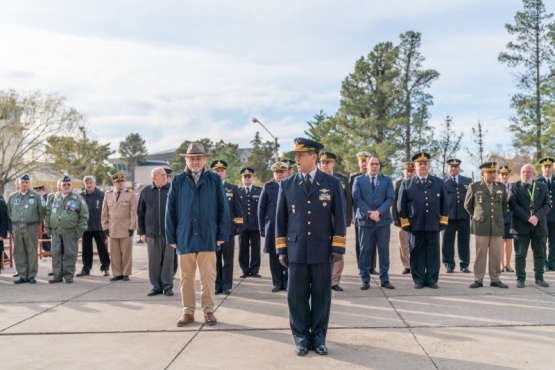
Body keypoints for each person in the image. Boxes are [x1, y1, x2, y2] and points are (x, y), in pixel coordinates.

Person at [276, 138, 347, 356]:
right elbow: (281, 219)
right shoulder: (287, 184)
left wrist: (338, 247)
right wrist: (281, 249)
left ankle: (318, 338)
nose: (296, 158)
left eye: (302, 154)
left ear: (314, 157)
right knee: (296, 297)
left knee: (321, 295)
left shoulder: (332, 183)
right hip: (296, 249)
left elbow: (340, 217)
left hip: (322, 249)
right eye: (296, 155)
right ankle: (300, 338)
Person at [166, 143, 229, 327]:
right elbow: (170, 210)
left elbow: (223, 208)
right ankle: (188, 312)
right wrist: (172, 237)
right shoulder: (178, 180)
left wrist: (221, 233)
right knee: (186, 277)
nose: (195, 161)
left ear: (204, 159)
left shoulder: (214, 180)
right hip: (184, 235)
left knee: (208, 276)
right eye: (192, 158)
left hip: (208, 235)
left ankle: (208, 311)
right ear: (186, 160)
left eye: (198, 158)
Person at [398, 152, 448, 289]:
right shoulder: (407, 184)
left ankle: (432, 279)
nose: (423, 166)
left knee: (433, 253)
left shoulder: (438, 182)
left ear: (429, 165)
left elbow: (445, 203)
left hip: (433, 223)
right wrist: (406, 223)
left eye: (425, 163)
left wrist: (443, 221)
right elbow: (401, 206)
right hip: (416, 224)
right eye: (420, 164)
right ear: (415, 166)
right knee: (417, 252)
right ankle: (418, 279)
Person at [352, 154, 394, 290]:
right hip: (365, 222)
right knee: (365, 250)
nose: (374, 166)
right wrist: (370, 213)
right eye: (372, 164)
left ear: (379, 166)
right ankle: (365, 279)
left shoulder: (387, 180)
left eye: (377, 164)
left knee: (384, 251)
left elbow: (390, 199)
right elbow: (357, 198)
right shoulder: (358, 180)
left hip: (382, 221)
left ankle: (385, 279)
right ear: (367, 165)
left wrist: (378, 212)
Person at [464, 162, 509, 289]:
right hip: (481, 225)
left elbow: (504, 205)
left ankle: (495, 279)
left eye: (493, 172)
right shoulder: (474, 187)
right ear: (482, 173)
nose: (492, 175)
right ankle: (478, 279)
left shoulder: (501, 187)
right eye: (489, 172)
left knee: (495, 253)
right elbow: (467, 206)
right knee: (480, 253)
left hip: (496, 225)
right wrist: (478, 216)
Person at [509, 164, 550, 288]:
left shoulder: (542, 186)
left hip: (539, 225)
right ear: (521, 173)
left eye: (529, 172)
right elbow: (513, 205)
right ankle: (520, 279)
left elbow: (547, 204)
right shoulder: (514, 187)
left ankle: (539, 278)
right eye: (523, 171)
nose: (526, 174)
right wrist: (528, 218)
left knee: (540, 254)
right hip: (521, 226)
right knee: (520, 254)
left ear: (534, 174)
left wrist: (536, 217)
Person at [318, 151, 353, 291]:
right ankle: (322, 280)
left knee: (338, 249)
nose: (325, 165)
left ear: (333, 163)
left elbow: (348, 200)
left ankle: (335, 281)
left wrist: (347, 219)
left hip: (337, 221)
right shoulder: (316, 178)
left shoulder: (341, 179)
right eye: (322, 162)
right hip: (321, 221)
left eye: (328, 162)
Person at [45, 176, 89, 284]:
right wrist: (48, 228)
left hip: (70, 231)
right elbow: (47, 213)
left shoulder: (77, 198)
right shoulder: (53, 198)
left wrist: (80, 231)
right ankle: (57, 276)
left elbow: (84, 216)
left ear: (72, 186)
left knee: (70, 254)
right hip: (56, 231)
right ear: (60, 186)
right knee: (56, 254)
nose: (66, 186)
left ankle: (69, 276)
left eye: (68, 184)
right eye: (64, 184)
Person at [138, 167, 174, 296]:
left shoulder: (172, 189)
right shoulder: (146, 191)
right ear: (153, 178)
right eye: (161, 175)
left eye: (165, 175)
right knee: (154, 261)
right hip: (151, 232)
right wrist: (142, 232)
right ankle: (156, 287)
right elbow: (140, 213)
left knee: (169, 261)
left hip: (169, 232)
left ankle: (168, 286)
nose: (165, 176)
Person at [211, 159, 242, 295]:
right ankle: (217, 285)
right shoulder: (208, 187)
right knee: (215, 260)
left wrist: (239, 225)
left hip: (228, 230)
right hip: (213, 231)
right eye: (216, 171)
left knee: (228, 260)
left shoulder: (232, 188)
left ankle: (227, 285)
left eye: (221, 171)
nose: (219, 173)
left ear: (225, 173)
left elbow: (238, 209)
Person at [8, 174, 46, 284]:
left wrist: (35, 223)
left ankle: (31, 275)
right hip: (17, 227)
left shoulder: (36, 196)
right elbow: (9, 211)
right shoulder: (12, 196)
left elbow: (42, 212)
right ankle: (22, 275)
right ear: (18, 184)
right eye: (22, 182)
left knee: (32, 251)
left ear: (29, 184)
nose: (24, 184)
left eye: (26, 182)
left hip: (31, 226)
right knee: (19, 251)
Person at [258, 161, 289, 292]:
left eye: (281, 172)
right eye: (276, 172)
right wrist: (261, 227)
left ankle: (288, 282)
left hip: (288, 226)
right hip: (272, 226)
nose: (279, 174)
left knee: (288, 254)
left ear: (286, 172)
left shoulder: (291, 185)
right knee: (274, 255)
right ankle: (277, 283)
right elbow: (261, 208)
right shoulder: (268, 186)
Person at [101, 173, 137, 281]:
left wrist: (132, 227)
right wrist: (105, 226)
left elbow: (135, 212)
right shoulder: (108, 194)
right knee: (114, 252)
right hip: (112, 227)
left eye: (122, 181)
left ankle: (126, 273)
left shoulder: (130, 194)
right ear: (114, 183)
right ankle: (117, 273)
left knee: (126, 252)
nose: (120, 183)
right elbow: (104, 212)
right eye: (118, 182)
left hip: (126, 227)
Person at [442, 159, 472, 273]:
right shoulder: (442, 182)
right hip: (448, 216)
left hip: (463, 215)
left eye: (456, 166)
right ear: (448, 168)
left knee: (464, 241)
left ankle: (464, 264)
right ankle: (449, 264)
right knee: (447, 241)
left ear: (459, 168)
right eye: (451, 166)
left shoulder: (467, 181)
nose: (453, 168)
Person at [349, 151, 377, 275]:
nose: (364, 164)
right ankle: (362, 267)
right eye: (362, 161)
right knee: (360, 241)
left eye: (366, 161)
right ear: (359, 163)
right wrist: (351, 214)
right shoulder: (354, 177)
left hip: (374, 213)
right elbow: (351, 197)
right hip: (359, 214)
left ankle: (372, 266)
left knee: (373, 240)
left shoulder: (375, 176)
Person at [78, 176, 111, 277]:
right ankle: (86, 268)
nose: (89, 185)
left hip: (99, 226)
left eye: (90, 183)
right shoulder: (80, 196)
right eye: (87, 183)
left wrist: (107, 224)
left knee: (102, 248)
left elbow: (107, 210)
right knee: (86, 249)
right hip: (86, 227)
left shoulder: (102, 195)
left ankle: (105, 267)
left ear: (94, 183)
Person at [392, 162, 415, 274]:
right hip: (403, 218)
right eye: (407, 171)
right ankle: (406, 265)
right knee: (404, 243)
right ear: (404, 171)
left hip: (416, 218)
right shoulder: (399, 183)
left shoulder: (418, 182)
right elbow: (394, 202)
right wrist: (396, 219)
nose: (409, 173)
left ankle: (416, 263)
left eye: (411, 171)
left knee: (415, 243)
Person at [239, 167, 262, 278]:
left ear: (252, 178)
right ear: (242, 178)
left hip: (255, 224)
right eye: (245, 177)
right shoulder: (238, 191)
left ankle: (254, 270)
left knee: (255, 249)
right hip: (242, 226)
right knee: (243, 249)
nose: (247, 178)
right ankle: (244, 270)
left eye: (249, 176)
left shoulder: (259, 190)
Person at [535, 157, 555, 271]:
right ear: (542, 168)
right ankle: (544, 262)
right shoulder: (537, 181)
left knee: (553, 241)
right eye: (545, 167)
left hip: (554, 216)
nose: (547, 169)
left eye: (549, 166)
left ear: (552, 167)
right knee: (542, 240)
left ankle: (553, 262)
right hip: (543, 216)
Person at [498, 165, 514, 272]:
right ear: (499, 176)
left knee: (509, 241)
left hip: (510, 218)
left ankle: (508, 264)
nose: (504, 176)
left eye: (506, 174)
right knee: (500, 241)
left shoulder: (513, 187)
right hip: (499, 218)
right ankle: (501, 264)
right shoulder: (496, 187)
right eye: (502, 174)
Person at [33, 185, 51, 252]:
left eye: (37, 191)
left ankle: (47, 249)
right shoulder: (40, 198)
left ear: (41, 191)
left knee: (44, 235)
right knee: (44, 235)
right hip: (41, 220)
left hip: (44, 220)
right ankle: (47, 249)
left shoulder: (46, 197)